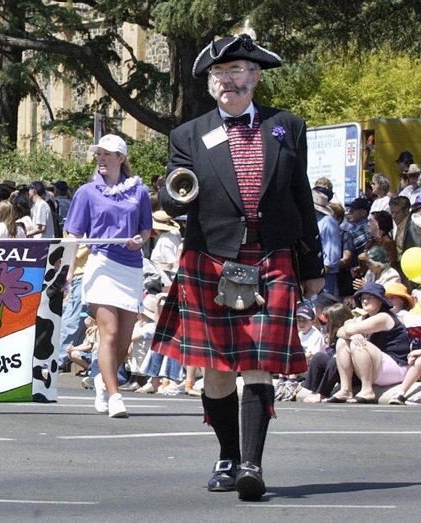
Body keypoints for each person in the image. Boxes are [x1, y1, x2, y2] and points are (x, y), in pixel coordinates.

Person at [150, 33, 325, 501]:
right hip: (210, 257)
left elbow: (300, 198)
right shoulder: (188, 134)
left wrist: (313, 263)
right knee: (217, 370)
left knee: (258, 364)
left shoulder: (286, 126)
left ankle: (252, 465)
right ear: (212, 82)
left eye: (238, 72)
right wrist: (173, 194)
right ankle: (228, 455)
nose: (229, 80)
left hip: (272, 256)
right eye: (220, 74)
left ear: (255, 77)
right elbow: (173, 191)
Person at [64, 133, 152, 419]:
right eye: (99, 153)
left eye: (107, 154)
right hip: (100, 263)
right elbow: (73, 234)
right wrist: (67, 270)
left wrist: (138, 240)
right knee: (109, 333)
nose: (101, 158)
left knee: (124, 343)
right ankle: (115, 395)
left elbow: (146, 229)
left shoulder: (138, 191)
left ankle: (104, 378)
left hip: (130, 266)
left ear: (121, 158)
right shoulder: (87, 192)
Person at [326, 282, 410, 404]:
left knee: (358, 343)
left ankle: (367, 390)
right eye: (363, 298)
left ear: (380, 301)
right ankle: (346, 389)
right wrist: (352, 332)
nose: (365, 301)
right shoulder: (363, 318)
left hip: (396, 368)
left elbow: (348, 329)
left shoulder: (384, 317)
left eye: (370, 297)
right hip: (376, 366)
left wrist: (351, 330)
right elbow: (339, 332)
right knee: (342, 343)